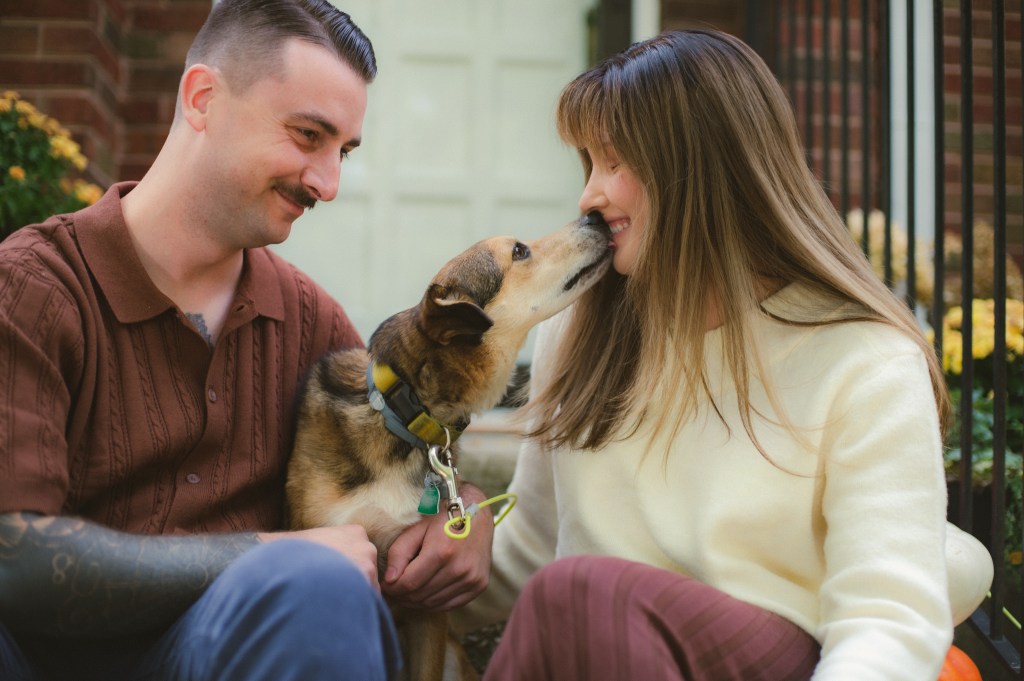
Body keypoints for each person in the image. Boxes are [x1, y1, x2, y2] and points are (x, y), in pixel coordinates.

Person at [453, 30, 993, 680]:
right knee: (574, 593)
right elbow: (536, 545)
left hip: (777, 660)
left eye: (615, 161)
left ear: (703, 168)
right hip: (594, 644)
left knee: (580, 591)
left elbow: (887, 618)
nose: (589, 196)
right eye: (588, 162)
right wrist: (387, 580)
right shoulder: (574, 332)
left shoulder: (865, 360)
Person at [0, 1, 491, 679]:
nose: (328, 182)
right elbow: (13, 557)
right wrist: (269, 550)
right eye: (307, 135)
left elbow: (412, 451)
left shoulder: (310, 320)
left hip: (241, 653)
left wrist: (467, 513)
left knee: (316, 591)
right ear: (203, 98)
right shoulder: (31, 287)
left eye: (342, 151)